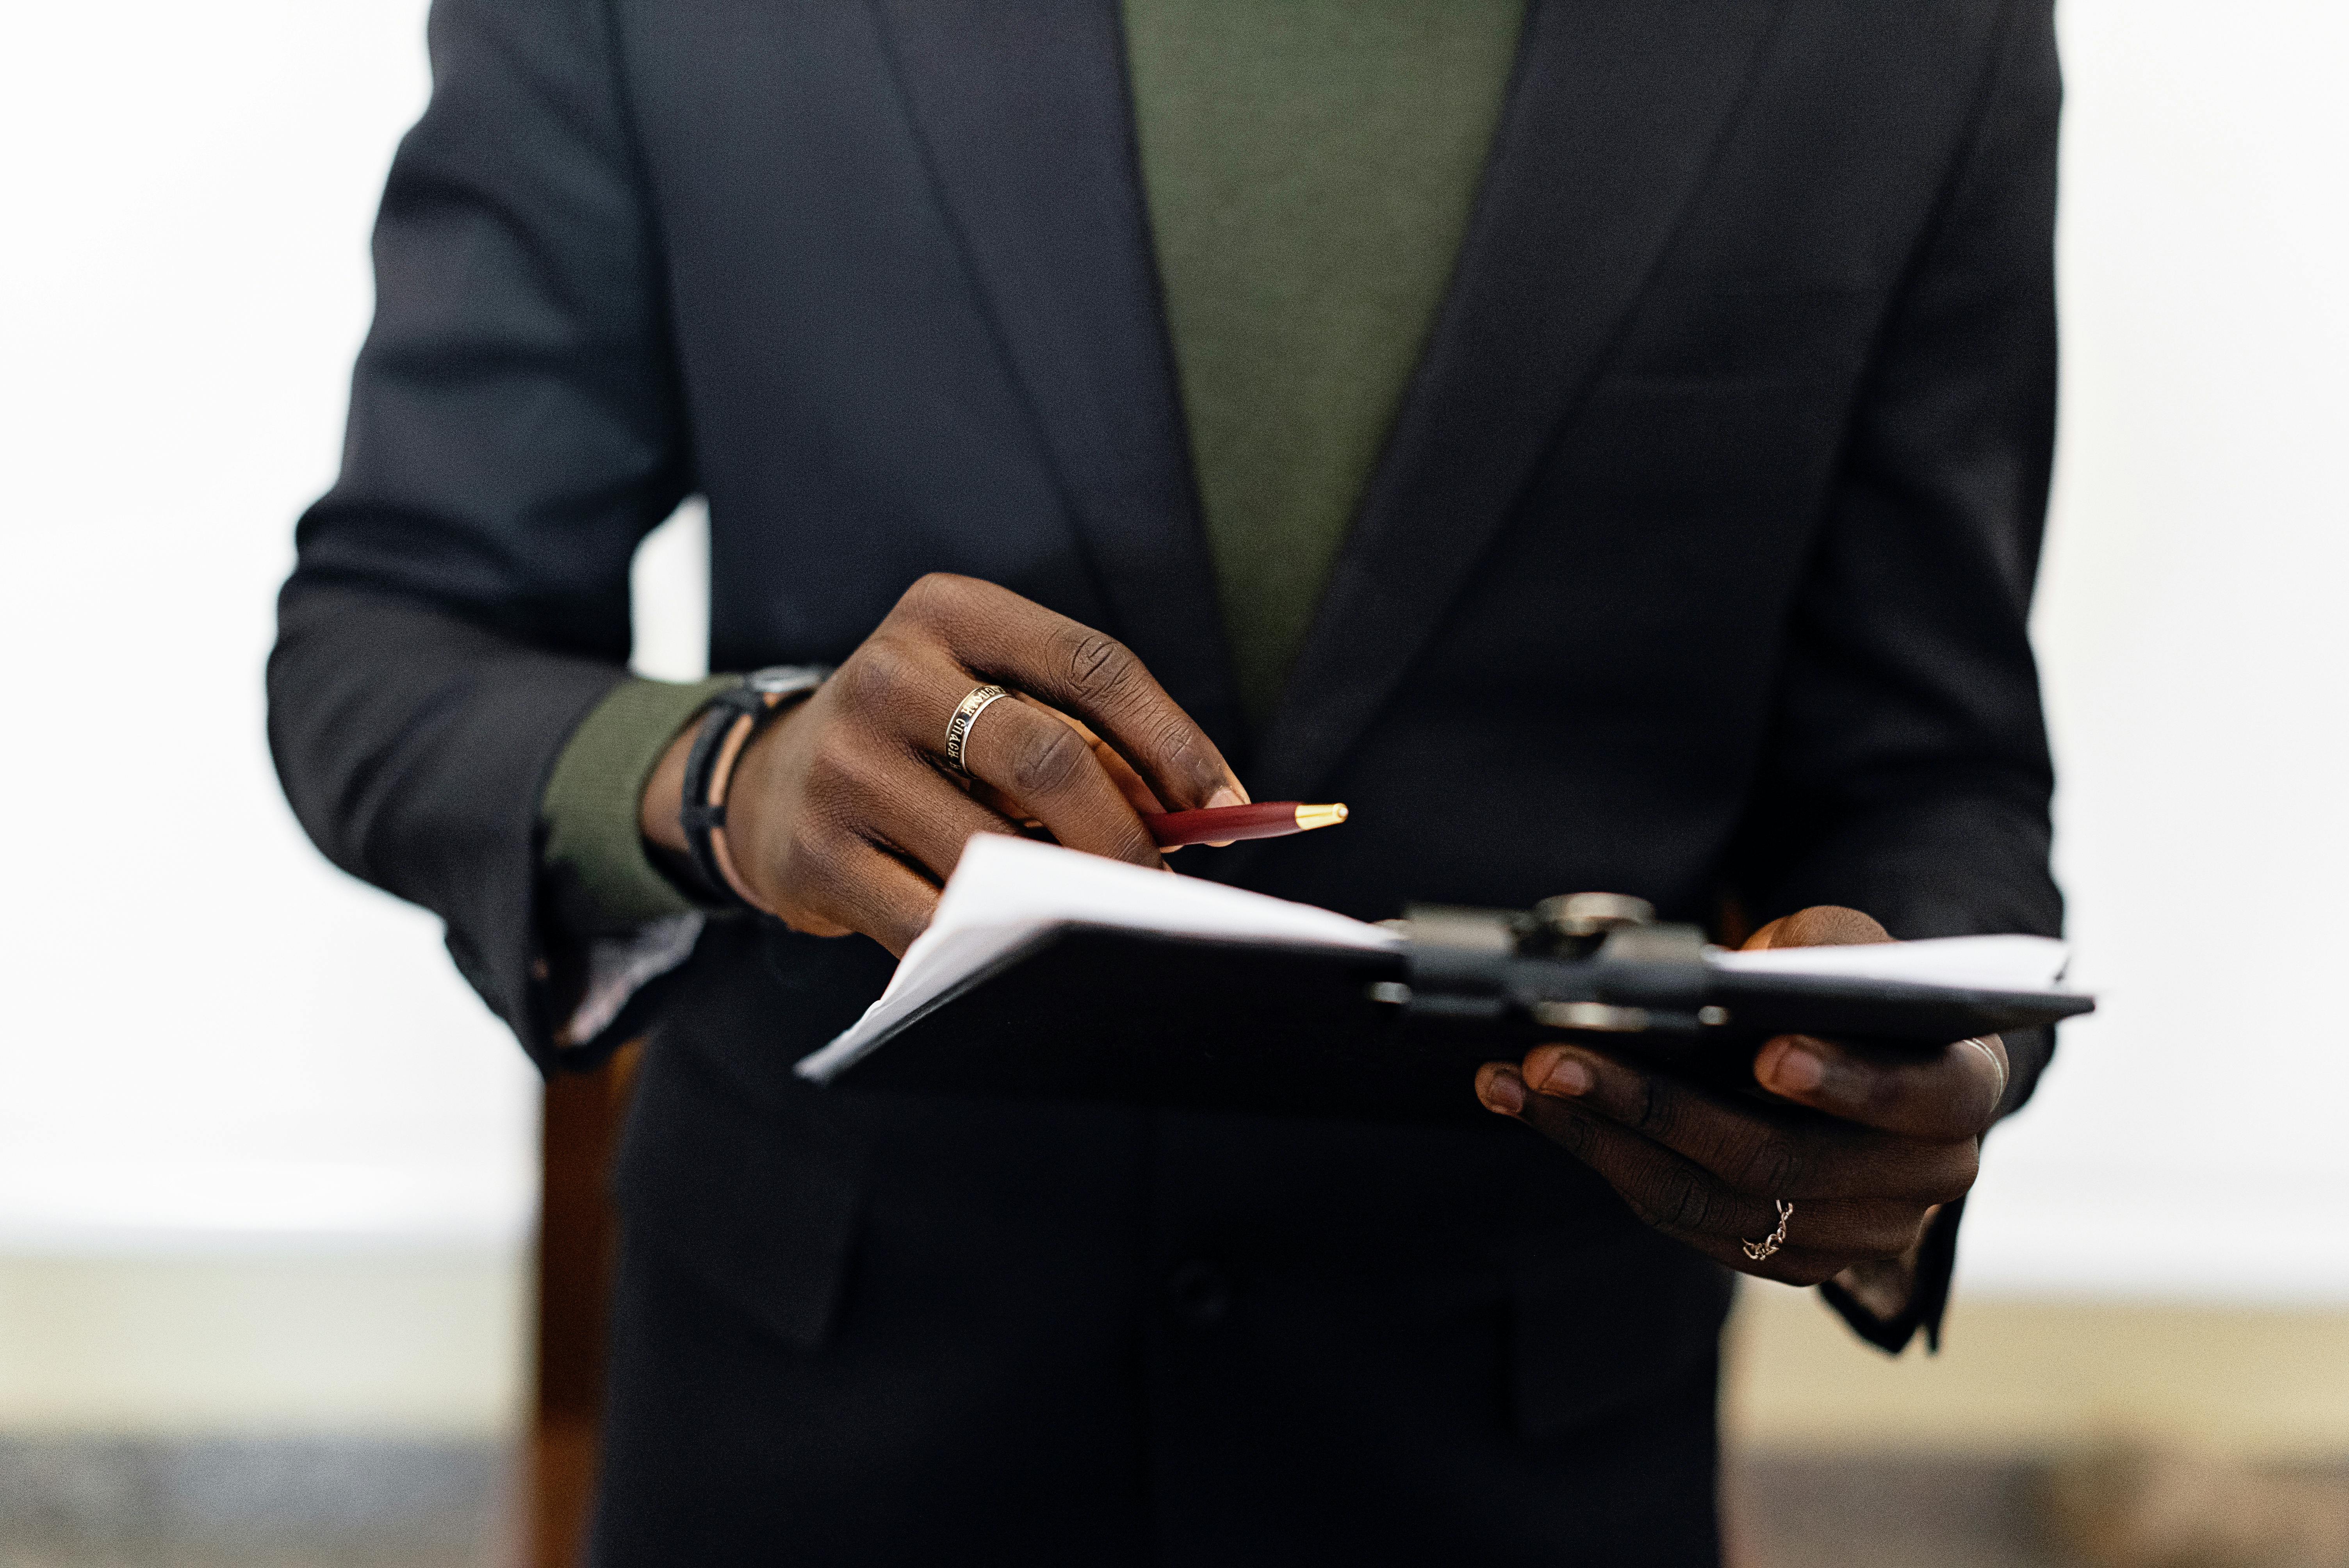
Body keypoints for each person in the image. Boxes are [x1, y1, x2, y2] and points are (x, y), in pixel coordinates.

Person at [269, 0, 2063, 1561]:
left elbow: (1930, 762)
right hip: (821, 1430)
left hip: (1517, 1453)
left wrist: (1904, 1064)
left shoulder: (1912, 29)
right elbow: (390, 636)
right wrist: (727, 773)